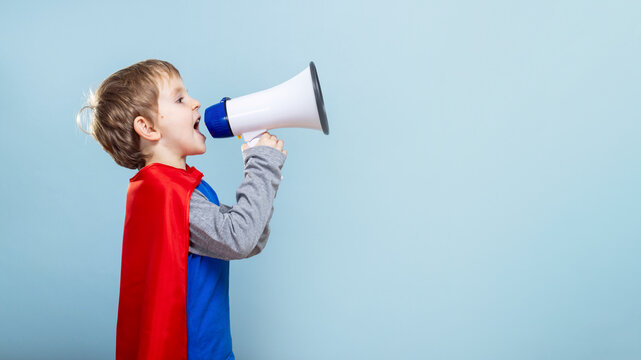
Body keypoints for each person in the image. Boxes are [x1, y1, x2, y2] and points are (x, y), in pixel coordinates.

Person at [76, 59, 286, 360]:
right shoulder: (169, 194)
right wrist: (263, 164)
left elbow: (247, 238)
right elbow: (239, 238)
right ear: (147, 127)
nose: (195, 102)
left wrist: (262, 172)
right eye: (179, 99)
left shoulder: (179, 187)